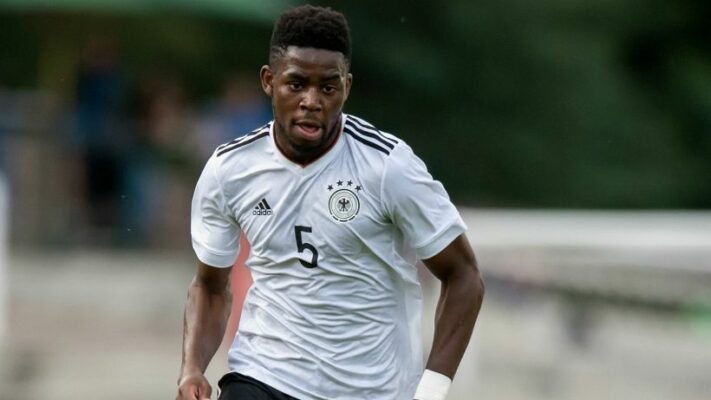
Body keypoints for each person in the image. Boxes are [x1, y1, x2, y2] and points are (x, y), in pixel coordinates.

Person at [177, 5, 484, 400]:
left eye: (327, 87)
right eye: (296, 84)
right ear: (269, 81)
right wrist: (192, 368)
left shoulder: (388, 167)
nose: (311, 101)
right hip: (265, 374)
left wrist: (431, 390)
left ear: (347, 87)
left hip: (371, 389)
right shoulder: (230, 169)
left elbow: (464, 276)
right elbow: (210, 286)